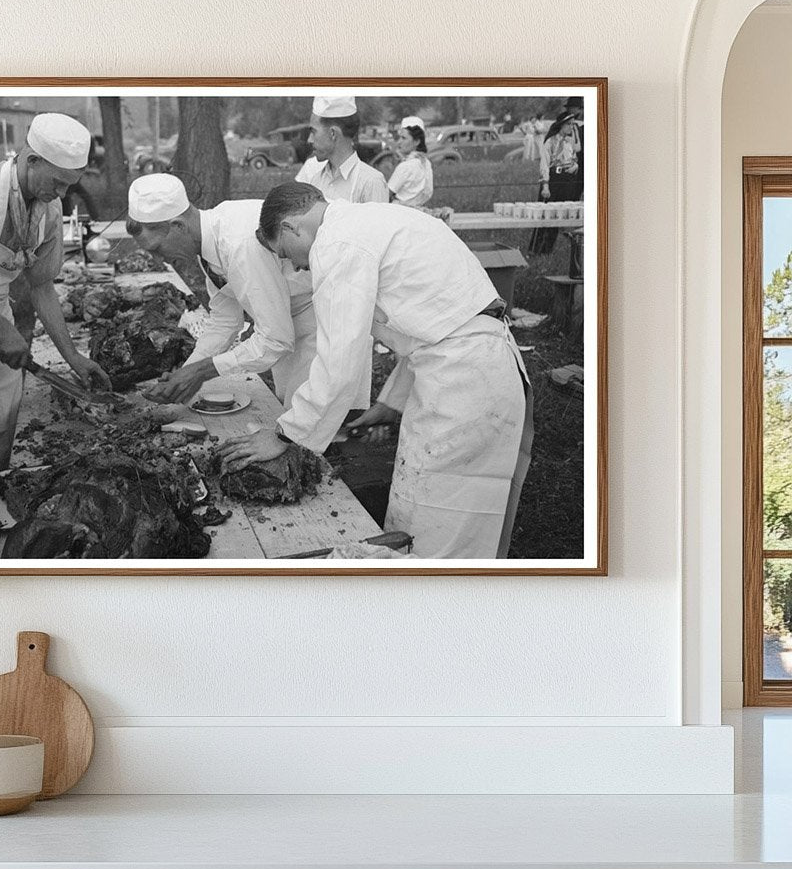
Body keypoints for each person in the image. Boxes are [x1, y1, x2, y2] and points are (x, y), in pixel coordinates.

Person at [221, 182, 533, 560]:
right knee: (453, 514)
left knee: (436, 524)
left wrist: (286, 435)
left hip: (466, 383)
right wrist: (392, 402)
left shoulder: (337, 245)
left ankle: (434, 611)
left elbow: (338, 363)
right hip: (476, 365)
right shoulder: (371, 221)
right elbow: (435, 323)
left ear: (290, 227)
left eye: (286, 254)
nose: (295, 266)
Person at [0, 113, 111, 496]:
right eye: (56, 181)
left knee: (0, 453)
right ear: (30, 158)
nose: (60, 192)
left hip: (0, 349)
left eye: (68, 185)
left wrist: (75, 359)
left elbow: (41, 288)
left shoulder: (49, 209)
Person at [124, 174, 318, 408]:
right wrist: (185, 374)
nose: (159, 259)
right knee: (293, 411)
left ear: (178, 226)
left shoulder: (237, 244)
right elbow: (225, 320)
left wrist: (202, 371)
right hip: (288, 323)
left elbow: (276, 338)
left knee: (319, 417)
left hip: (317, 323)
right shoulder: (210, 241)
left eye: (157, 248)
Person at [295, 94, 389, 204]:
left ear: (333, 133)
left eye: (313, 132)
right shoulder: (313, 174)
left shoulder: (371, 182)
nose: (309, 140)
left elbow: (377, 221)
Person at [530, 96, 583, 255]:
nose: (571, 127)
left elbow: (575, 155)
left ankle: (547, 250)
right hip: (552, 179)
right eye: (569, 124)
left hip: (566, 180)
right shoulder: (551, 141)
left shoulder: (570, 141)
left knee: (558, 215)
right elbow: (545, 163)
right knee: (545, 214)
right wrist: (545, 184)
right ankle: (536, 249)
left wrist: (574, 166)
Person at [386, 116, 433, 208]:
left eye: (404, 138)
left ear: (416, 141)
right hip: (419, 211)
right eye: (400, 138)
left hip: (399, 212)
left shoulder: (406, 166)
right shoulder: (426, 163)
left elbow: (385, 194)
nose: (399, 142)